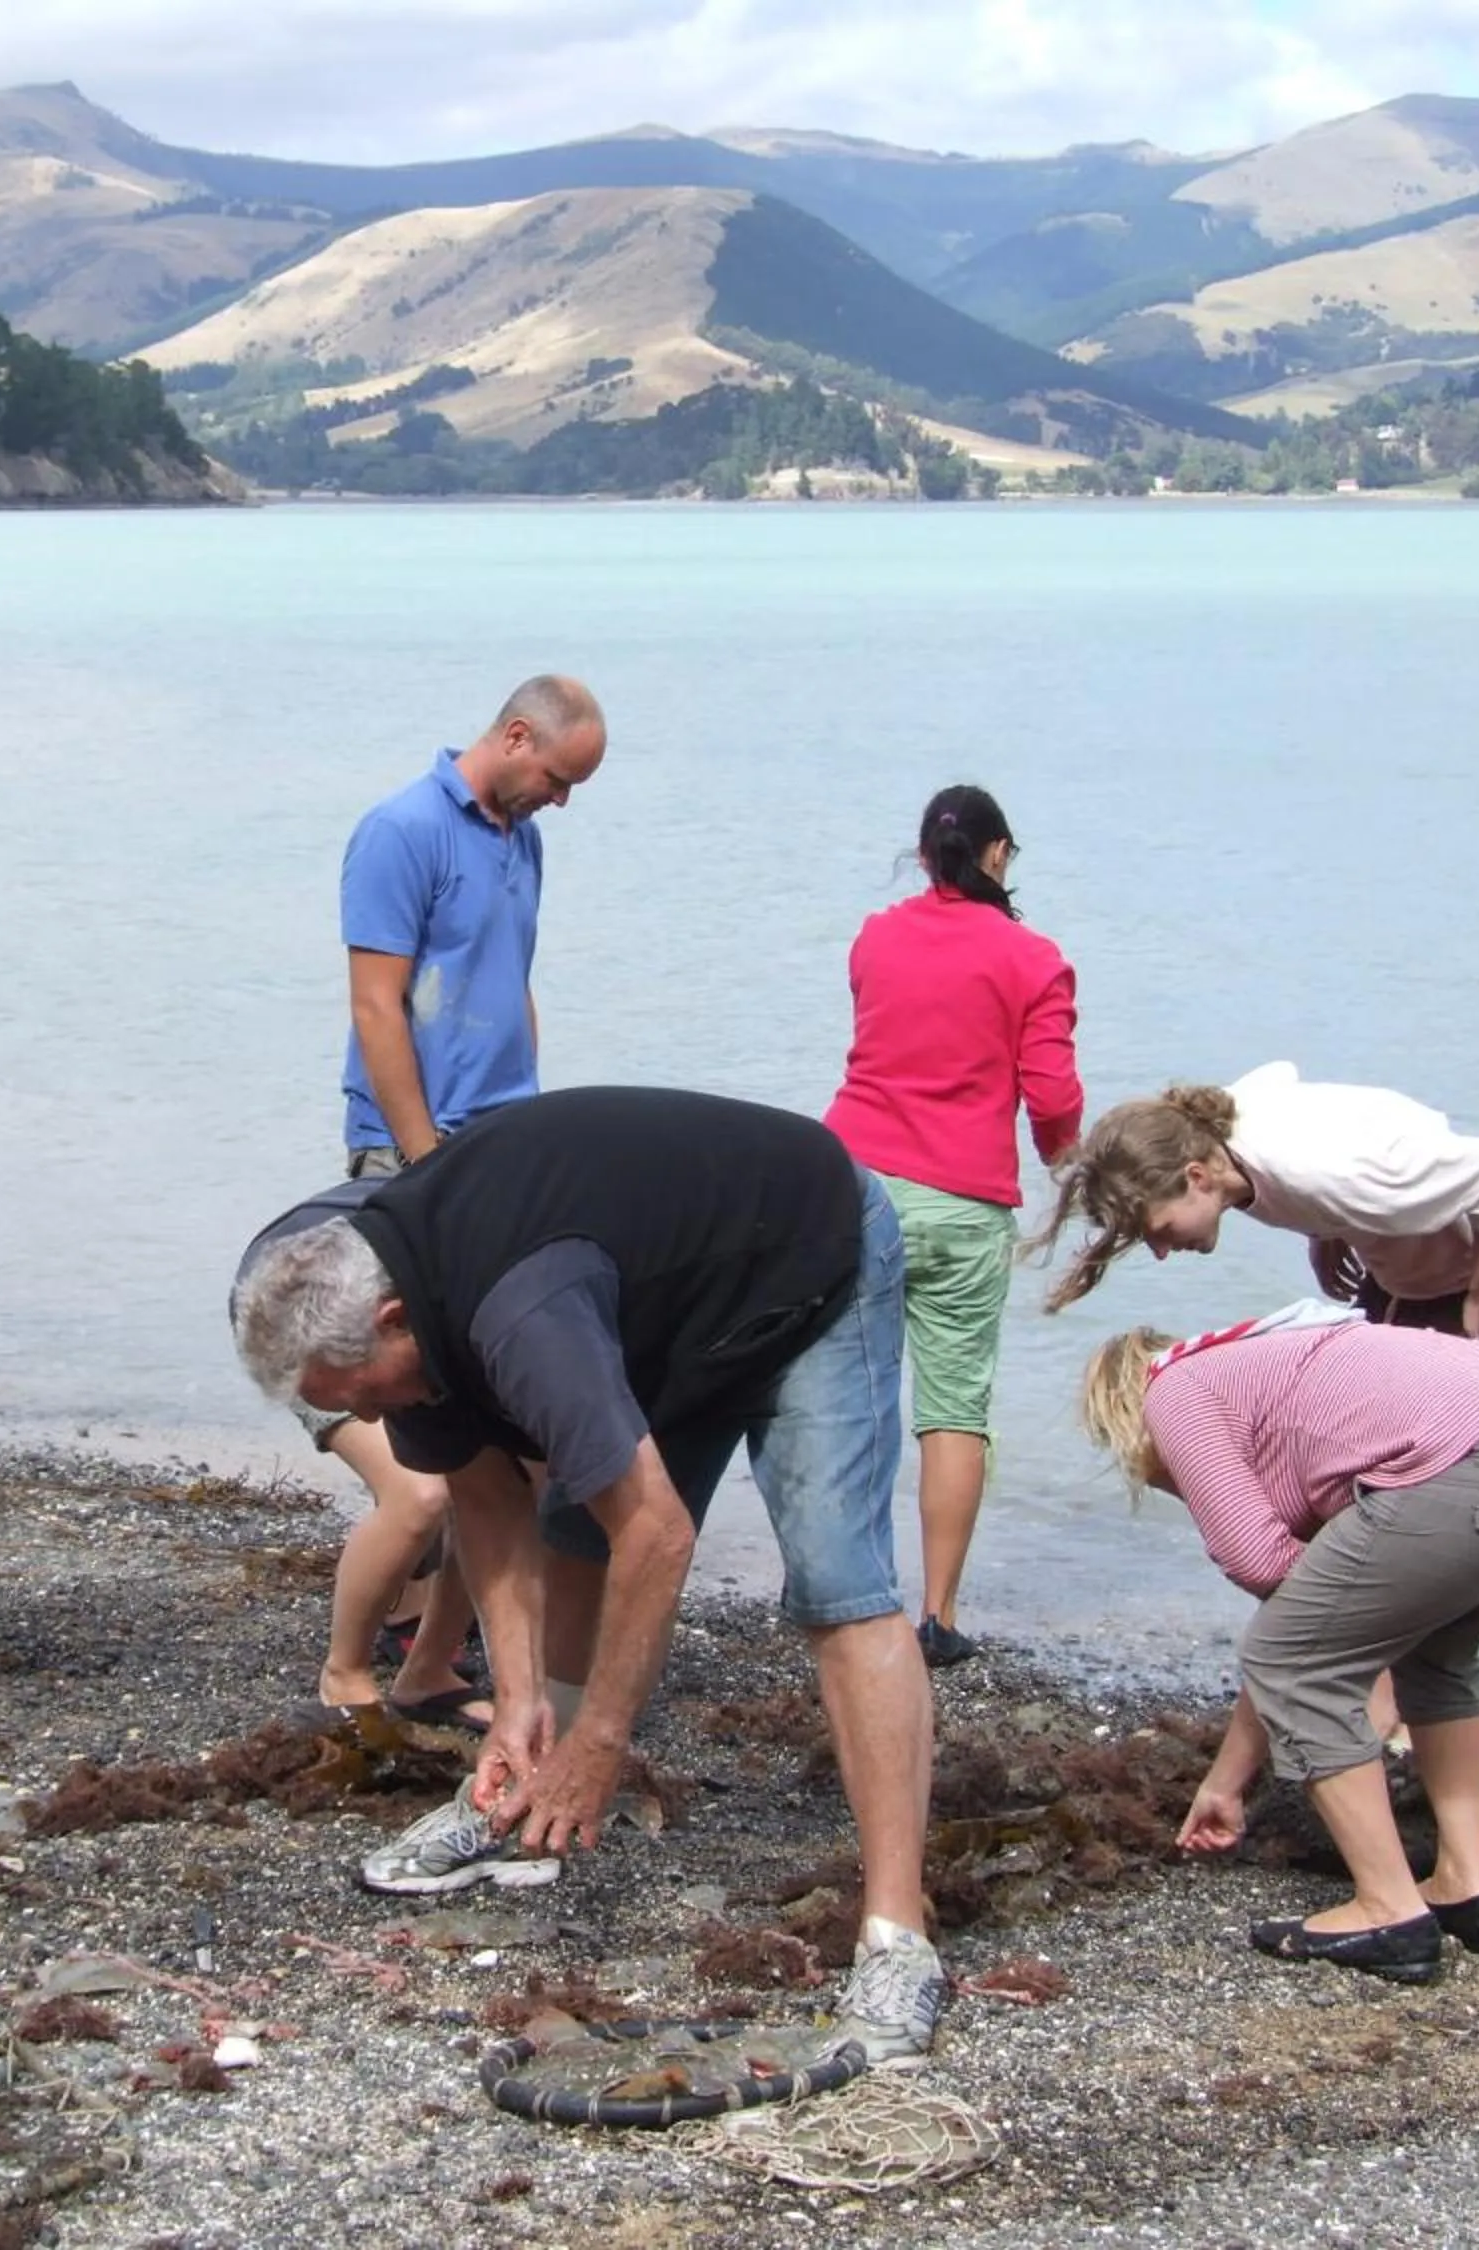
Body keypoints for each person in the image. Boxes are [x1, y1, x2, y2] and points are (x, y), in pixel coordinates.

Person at [231, 1086, 951, 2065]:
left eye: (358, 1396)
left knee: (837, 1583)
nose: (363, 1417)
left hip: (808, 1253)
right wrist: (517, 1698)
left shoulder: (517, 1313)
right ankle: (519, 1794)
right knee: (574, 1531)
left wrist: (604, 1741)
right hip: (673, 1293)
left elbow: (657, 1534)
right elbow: (488, 1501)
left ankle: (899, 1940)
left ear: (393, 1321)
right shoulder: (404, 1308)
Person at [1076, 1305, 1479, 1984]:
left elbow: (1266, 1582)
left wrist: (1316, 1633)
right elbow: (1314, 1619)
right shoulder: (1282, 1378)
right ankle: (1464, 1884)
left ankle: (1387, 1910)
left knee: (1293, 1659)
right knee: (1436, 1652)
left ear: (1125, 1418)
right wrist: (1227, 1782)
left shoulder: (1173, 1390)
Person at [305, 674, 609, 1727]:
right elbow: (376, 1006)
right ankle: (352, 1661)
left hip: (501, 1144)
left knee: (515, 1434)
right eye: (558, 778)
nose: (560, 800)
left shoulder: (525, 841)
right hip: (412, 1156)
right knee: (426, 1425)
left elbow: (510, 982)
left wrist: (531, 1127)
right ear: (516, 736)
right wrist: (425, 1159)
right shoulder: (401, 832)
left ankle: (432, 1662)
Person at [824, 784, 1082, 1669]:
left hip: (854, 1185)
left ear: (925, 854)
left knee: (849, 1394)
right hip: (965, 1202)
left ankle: (844, 1591)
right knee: (954, 1413)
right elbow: (1051, 1096)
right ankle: (936, 1616)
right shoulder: (1035, 960)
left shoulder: (875, 938)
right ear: (998, 853)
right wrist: (1068, 1164)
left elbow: (883, 1043)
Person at [1037, 1063, 1479, 1350]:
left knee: (1455, 1476)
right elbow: (1278, 1075)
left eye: (1160, 1230)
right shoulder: (1213, 1134)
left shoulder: (1338, 1178)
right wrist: (1325, 1230)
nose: (1162, 1251)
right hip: (1397, 1277)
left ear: (1196, 1177)